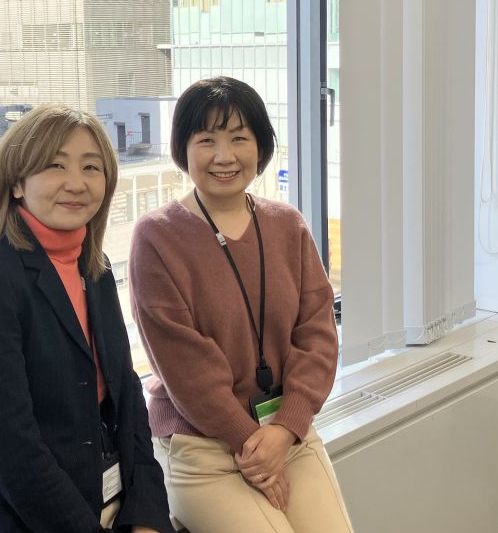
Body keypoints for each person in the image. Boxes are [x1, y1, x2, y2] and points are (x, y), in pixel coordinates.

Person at [129, 77, 353, 533]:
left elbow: (317, 334)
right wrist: (252, 444)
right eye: (206, 140)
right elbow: (186, 367)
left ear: (260, 146)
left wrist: (284, 430)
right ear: (183, 149)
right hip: (202, 446)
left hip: (287, 431)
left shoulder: (287, 225)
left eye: (238, 138)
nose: (224, 156)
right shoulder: (157, 237)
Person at [0, 104, 174, 533]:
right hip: (36, 521)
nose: (76, 183)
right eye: (56, 165)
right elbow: (13, 449)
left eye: (91, 167)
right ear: (17, 183)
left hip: (114, 502)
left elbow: (127, 396)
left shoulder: (96, 267)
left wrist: (146, 515)